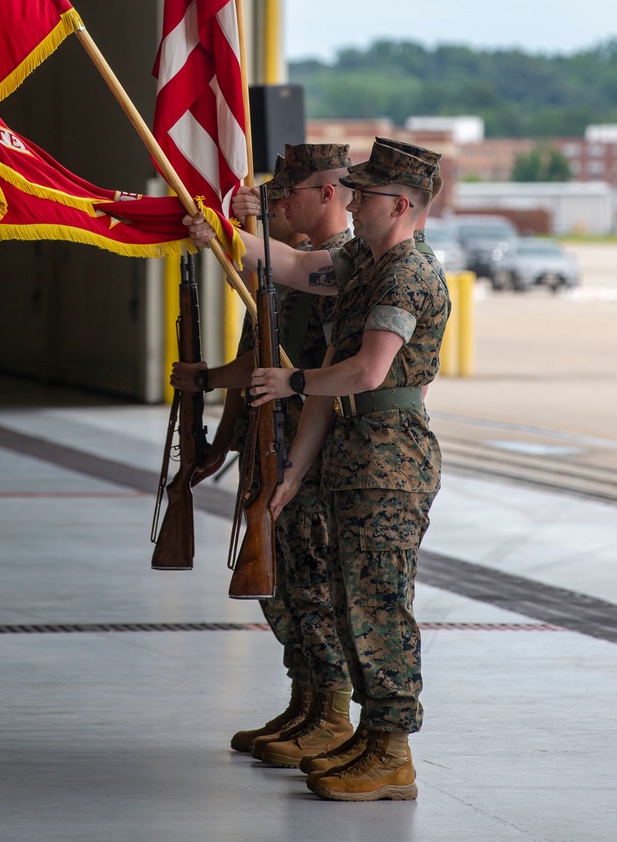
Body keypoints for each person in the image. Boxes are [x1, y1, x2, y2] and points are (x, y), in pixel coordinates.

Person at [185, 140, 449, 803]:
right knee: (346, 600)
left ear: (400, 205)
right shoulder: (363, 263)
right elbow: (298, 268)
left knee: (379, 606)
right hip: (348, 453)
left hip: (389, 458)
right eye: (350, 191)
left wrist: (293, 378)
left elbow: (367, 371)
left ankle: (391, 748)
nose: (353, 203)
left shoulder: (407, 273)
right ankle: (365, 735)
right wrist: (296, 470)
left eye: (364, 195)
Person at [175, 147, 356, 763]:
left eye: (288, 195)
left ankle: (330, 711)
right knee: (282, 586)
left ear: (328, 192)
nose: (278, 205)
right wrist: (218, 440)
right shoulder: (280, 272)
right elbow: (256, 361)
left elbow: (302, 269)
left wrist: (234, 232)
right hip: (268, 438)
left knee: (312, 581)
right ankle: (305, 699)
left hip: (315, 445)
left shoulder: (342, 264)